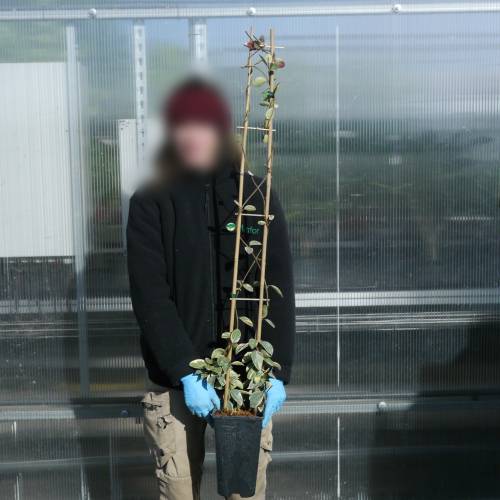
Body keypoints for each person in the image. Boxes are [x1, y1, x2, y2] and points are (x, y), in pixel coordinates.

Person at [127, 78, 296, 500]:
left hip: (246, 377)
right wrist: (184, 370)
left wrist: (276, 373)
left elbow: (277, 287)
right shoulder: (152, 201)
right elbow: (150, 295)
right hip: (175, 383)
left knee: (245, 492)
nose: (193, 135)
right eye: (183, 125)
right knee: (179, 489)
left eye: (203, 125)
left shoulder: (255, 198)